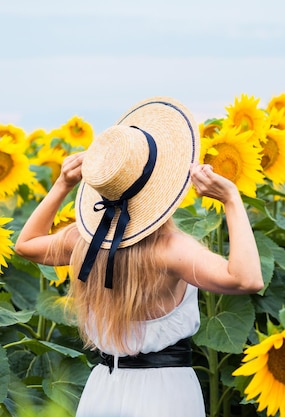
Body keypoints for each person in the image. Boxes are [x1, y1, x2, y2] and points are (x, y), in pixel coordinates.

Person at [15, 96, 264, 417]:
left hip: (103, 388)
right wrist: (231, 199)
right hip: (166, 394)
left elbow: (26, 244)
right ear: (163, 181)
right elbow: (248, 279)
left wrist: (62, 184)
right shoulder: (169, 248)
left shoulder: (86, 239)